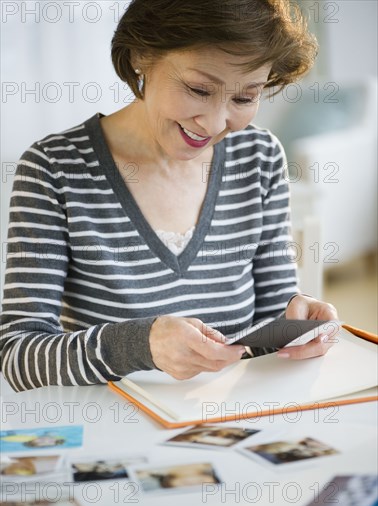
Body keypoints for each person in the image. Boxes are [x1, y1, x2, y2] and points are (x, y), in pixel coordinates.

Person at [0, 0, 338, 393]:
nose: (214, 123)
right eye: (198, 89)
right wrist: (142, 345)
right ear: (142, 56)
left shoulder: (258, 156)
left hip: (233, 425)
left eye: (244, 97)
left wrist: (301, 322)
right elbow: (18, 357)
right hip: (112, 437)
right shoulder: (54, 168)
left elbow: (272, 317)